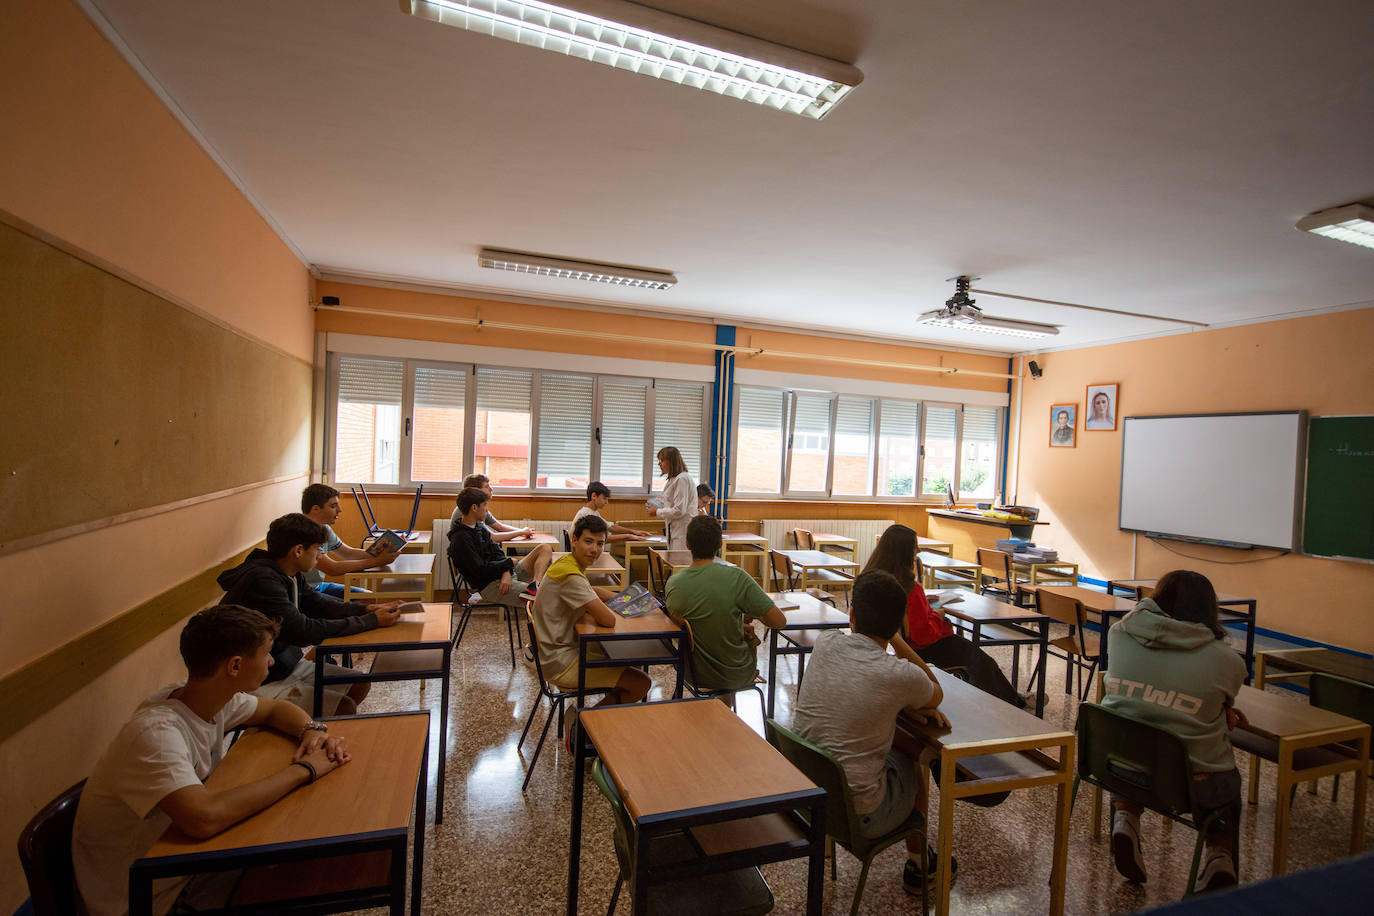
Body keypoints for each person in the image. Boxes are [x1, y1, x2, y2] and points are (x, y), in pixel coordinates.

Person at [71, 605, 352, 916]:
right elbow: (204, 819)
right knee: (304, 875)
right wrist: (305, 770)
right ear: (234, 666)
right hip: (146, 896)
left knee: (299, 846)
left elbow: (273, 710)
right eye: (266, 653)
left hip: (181, 864)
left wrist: (310, 731)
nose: (272, 661)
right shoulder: (156, 735)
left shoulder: (210, 697)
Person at [793, 570, 950, 894]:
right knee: (915, 756)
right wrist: (897, 642)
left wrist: (903, 704)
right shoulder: (898, 674)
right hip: (857, 815)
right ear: (897, 624)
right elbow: (936, 691)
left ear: (851, 615)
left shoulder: (827, 642)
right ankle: (920, 867)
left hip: (810, 796)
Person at [1100, 569, 1247, 894]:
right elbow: (1218, 708)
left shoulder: (1119, 634)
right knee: (1226, 786)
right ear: (1209, 609)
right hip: (1188, 786)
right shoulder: (1227, 661)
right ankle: (1218, 856)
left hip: (1115, 767)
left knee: (1133, 732)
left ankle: (1125, 820)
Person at [217, 513, 403, 714]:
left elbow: (320, 605)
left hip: (282, 665)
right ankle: (306, 737)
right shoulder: (263, 581)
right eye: (317, 550)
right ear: (298, 551)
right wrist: (371, 621)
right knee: (344, 706)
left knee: (359, 683)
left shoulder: (290, 573)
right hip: (257, 677)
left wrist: (368, 609)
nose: (320, 556)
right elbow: (303, 630)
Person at [866, 524, 1028, 709]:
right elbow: (922, 634)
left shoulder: (873, 579)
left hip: (897, 646)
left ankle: (1011, 698)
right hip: (925, 648)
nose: (917, 551)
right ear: (905, 553)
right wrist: (937, 615)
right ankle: (1013, 703)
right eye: (914, 547)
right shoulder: (910, 588)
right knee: (982, 662)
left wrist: (926, 607)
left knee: (978, 662)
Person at [530, 514, 651, 735]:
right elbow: (608, 619)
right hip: (562, 661)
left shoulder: (566, 563)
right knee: (641, 683)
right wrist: (615, 606)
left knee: (633, 661)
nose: (594, 549)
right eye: (588, 541)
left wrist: (622, 598)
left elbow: (590, 591)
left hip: (557, 649)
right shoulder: (571, 576)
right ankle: (582, 731)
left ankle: (606, 723)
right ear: (573, 540)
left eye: (600, 543)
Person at [665, 515, 786, 691]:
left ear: (687, 544)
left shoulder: (674, 583)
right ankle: (725, 708)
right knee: (748, 636)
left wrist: (736, 621)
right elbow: (779, 622)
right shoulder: (737, 577)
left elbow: (700, 620)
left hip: (691, 672)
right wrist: (746, 617)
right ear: (720, 545)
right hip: (734, 672)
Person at [449, 486, 552, 605]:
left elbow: (497, 550)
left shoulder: (478, 527)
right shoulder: (461, 539)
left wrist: (506, 571)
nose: (487, 510)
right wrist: (507, 564)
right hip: (491, 585)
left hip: (503, 574)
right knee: (546, 597)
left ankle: (535, 585)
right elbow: (480, 569)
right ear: (474, 507)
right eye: (485, 505)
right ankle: (534, 595)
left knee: (545, 548)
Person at [300, 482, 401, 597]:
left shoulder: (324, 528)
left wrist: (380, 551)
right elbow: (333, 568)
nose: (339, 510)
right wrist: (377, 561)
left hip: (319, 586)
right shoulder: (302, 532)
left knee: (369, 597)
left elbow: (349, 553)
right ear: (316, 509)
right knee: (360, 607)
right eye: (333, 506)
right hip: (305, 593)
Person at [449, 473, 536, 544]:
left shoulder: (480, 507)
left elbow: (499, 527)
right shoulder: (471, 510)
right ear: (476, 491)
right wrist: (521, 532)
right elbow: (492, 537)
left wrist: (524, 532)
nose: (491, 489)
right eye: (487, 486)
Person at [647, 445, 695, 550]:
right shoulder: (673, 480)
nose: (659, 463)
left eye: (662, 460)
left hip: (683, 530)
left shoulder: (682, 479)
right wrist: (656, 504)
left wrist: (657, 512)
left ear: (671, 461)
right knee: (674, 560)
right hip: (674, 529)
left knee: (680, 562)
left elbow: (679, 510)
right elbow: (669, 502)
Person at [573, 482, 653, 543]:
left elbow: (611, 527)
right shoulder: (586, 514)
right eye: (604, 498)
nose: (606, 502)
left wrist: (634, 532)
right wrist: (628, 536)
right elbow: (600, 539)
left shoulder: (593, 513)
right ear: (594, 496)